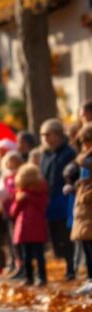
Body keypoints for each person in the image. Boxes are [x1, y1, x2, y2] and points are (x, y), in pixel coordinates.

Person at [39, 119, 77, 280]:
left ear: (58, 134)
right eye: (44, 135)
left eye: (50, 134)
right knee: (54, 236)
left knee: (65, 234)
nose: (47, 138)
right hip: (49, 199)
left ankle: (71, 267)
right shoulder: (44, 154)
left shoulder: (69, 152)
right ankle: (63, 262)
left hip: (64, 198)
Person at [10, 163, 49, 286]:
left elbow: (43, 205)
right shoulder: (20, 191)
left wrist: (29, 197)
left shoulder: (41, 190)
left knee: (39, 254)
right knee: (26, 255)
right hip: (24, 227)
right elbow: (13, 212)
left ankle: (42, 277)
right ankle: (29, 277)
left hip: (36, 225)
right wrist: (18, 201)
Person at [67, 124, 92, 294]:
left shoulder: (87, 159)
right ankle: (90, 278)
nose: (84, 145)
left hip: (88, 203)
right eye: (82, 142)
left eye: (87, 141)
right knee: (86, 245)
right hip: (83, 207)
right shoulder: (83, 158)